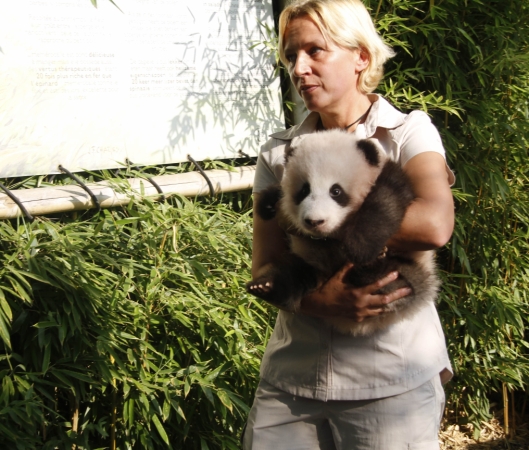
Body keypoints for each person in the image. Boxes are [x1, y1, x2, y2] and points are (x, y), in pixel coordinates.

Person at [242, 0, 455, 448]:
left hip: (389, 378)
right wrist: (323, 299)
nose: (299, 68)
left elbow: (435, 224)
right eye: (290, 55)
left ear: (361, 56)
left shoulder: (406, 134)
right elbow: (265, 270)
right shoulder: (280, 153)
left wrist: (306, 217)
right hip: (291, 377)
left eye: (315, 51)